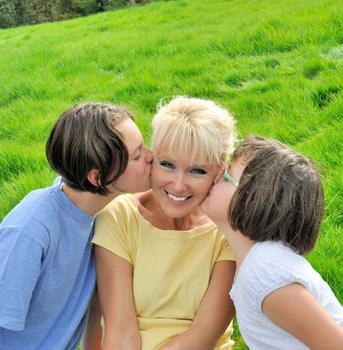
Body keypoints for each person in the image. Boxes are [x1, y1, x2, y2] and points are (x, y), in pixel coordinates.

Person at [0, 102, 153, 350]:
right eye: (137, 155)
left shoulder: (102, 213)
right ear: (98, 178)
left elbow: (92, 313)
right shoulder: (31, 230)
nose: (151, 157)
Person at [201, 135, 343, 349]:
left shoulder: (264, 272)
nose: (217, 177)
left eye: (228, 175)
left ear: (252, 200)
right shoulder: (256, 264)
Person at [92, 96, 237, 350]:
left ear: (219, 171)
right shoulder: (119, 217)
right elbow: (120, 333)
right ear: (152, 158)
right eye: (167, 164)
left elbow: (205, 334)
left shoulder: (228, 230)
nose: (178, 185)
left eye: (197, 171)